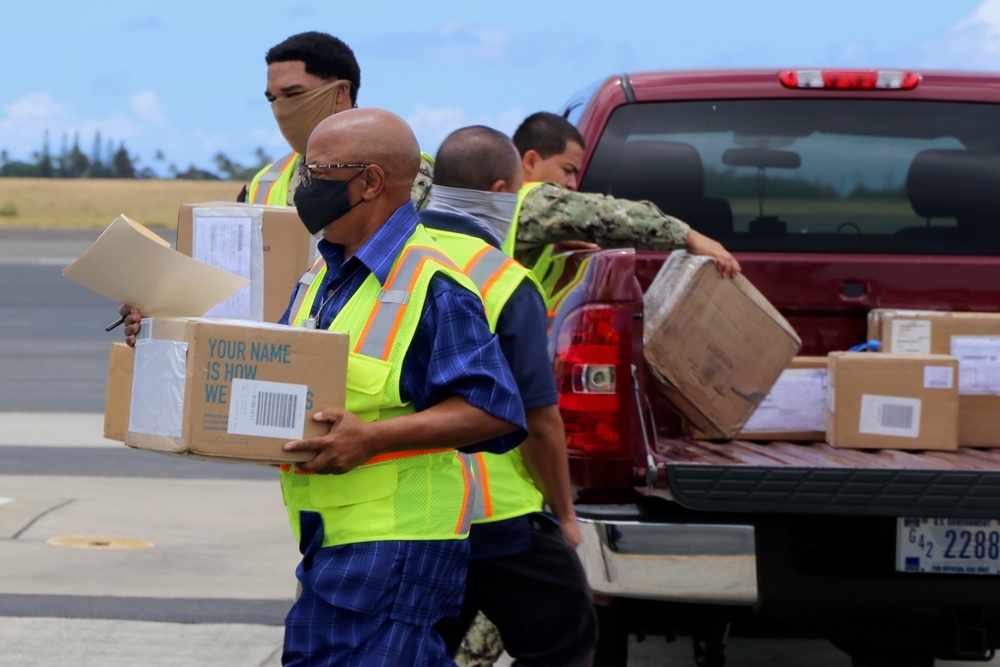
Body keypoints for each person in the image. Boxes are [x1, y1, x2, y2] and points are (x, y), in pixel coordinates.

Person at [122, 109, 527, 666]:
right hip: (332, 540)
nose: (300, 187)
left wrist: (373, 440)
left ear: (370, 181)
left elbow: (496, 409)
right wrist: (161, 331)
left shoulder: (434, 286)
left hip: (395, 542)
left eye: (315, 173)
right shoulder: (323, 275)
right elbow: (264, 365)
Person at [419, 126, 597, 666]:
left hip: (407, 516)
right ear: (502, 191)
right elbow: (540, 421)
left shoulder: (384, 262)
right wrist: (564, 516)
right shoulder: (502, 280)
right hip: (494, 516)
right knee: (566, 640)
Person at [506, 111, 741, 280]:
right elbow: (606, 215)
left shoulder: (505, 206)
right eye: (567, 171)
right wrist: (690, 237)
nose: (573, 185)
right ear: (531, 161)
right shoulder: (531, 202)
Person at [240, 31, 433, 209]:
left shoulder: (406, 172)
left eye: (294, 94)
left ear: (340, 93)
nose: (281, 109)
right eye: (272, 99)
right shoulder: (265, 183)